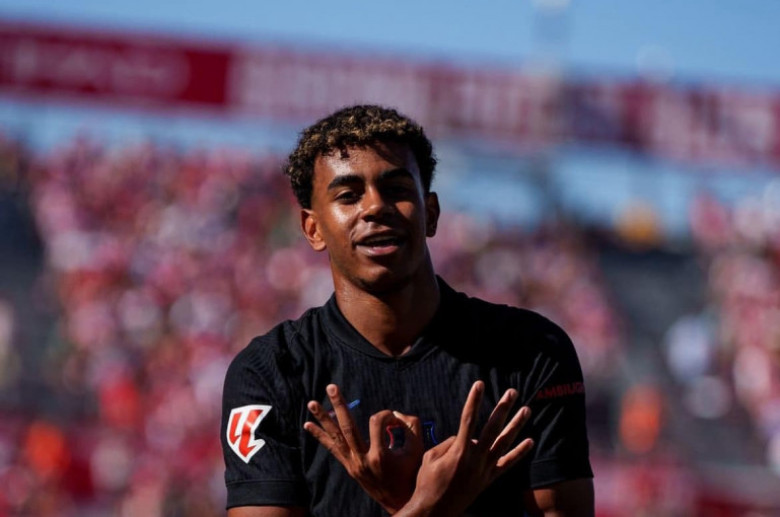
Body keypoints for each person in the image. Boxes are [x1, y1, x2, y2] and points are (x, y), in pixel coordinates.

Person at [221, 105, 594, 516]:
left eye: (396, 189)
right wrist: (425, 508)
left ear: (430, 213)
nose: (375, 207)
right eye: (348, 195)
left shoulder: (532, 350)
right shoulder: (270, 372)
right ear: (313, 228)